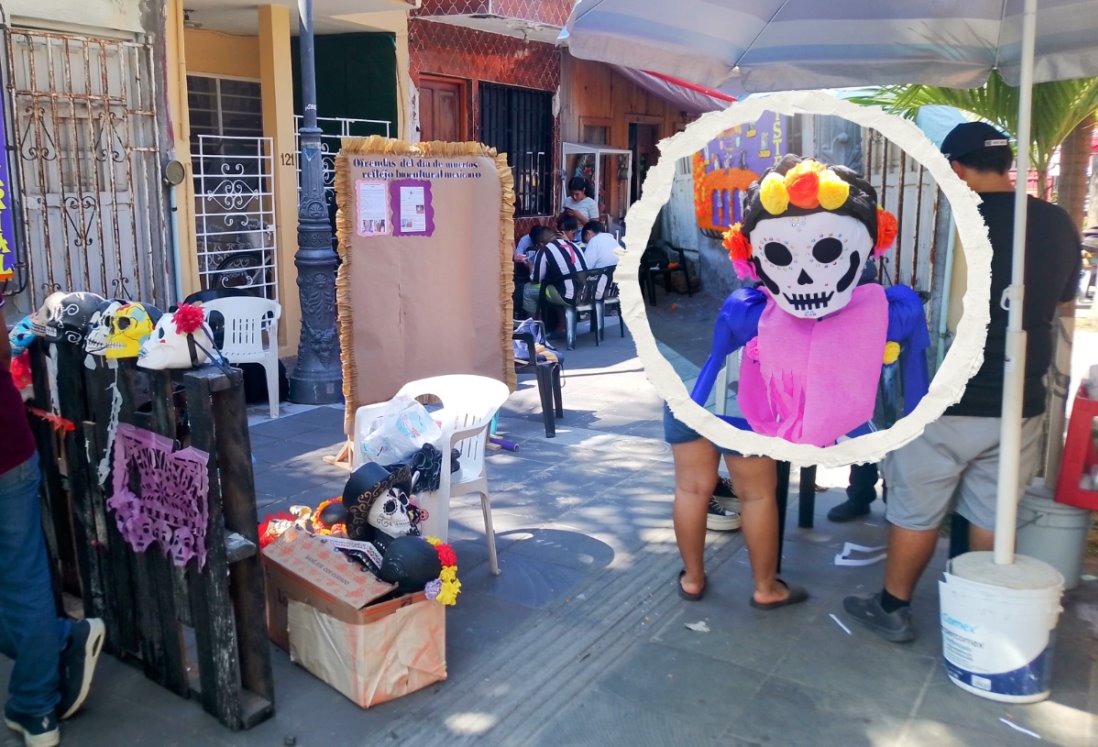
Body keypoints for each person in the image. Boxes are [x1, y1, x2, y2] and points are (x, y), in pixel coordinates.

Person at [843, 122, 1082, 643]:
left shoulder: (956, 223)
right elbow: (1064, 299)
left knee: (915, 508)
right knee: (990, 510)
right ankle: (975, 605)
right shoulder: (1059, 222)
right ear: (1005, 163)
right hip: (1020, 398)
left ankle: (893, 607)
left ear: (956, 168)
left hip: (945, 399)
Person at [0, 298, 105, 746]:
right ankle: (41, 692)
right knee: (22, 579)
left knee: (21, 581)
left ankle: (37, 694)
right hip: (6, 449)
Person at [667, 407, 806, 608]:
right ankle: (766, 589)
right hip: (747, 399)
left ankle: (692, 579)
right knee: (756, 496)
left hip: (688, 390)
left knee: (691, 489)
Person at [530, 214, 589, 329]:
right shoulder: (574, 245)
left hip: (569, 297)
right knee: (557, 287)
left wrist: (529, 265)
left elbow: (535, 279)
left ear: (541, 243)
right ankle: (561, 326)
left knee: (529, 291)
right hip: (587, 294)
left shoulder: (544, 250)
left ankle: (535, 331)